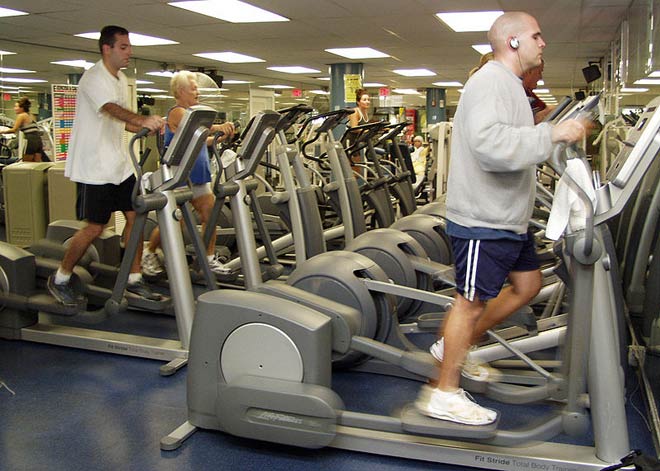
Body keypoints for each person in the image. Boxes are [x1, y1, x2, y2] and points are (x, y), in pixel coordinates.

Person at [415, 11, 589, 425]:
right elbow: (491, 146)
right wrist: (553, 133)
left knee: (527, 285)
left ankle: (456, 347)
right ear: (512, 41)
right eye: (537, 35)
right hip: (483, 218)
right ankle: (443, 391)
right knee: (470, 302)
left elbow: (513, 140)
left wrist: (547, 132)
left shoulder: (510, 85)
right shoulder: (490, 81)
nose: (543, 43)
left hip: (508, 217)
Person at [47, 25, 166, 307]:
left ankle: (134, 280)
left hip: (118, 165)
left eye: (129, 47)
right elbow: (109, 109)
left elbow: (118, 119)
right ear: (107, 49)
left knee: (136, 217)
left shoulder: (121, 79)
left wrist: (141, 127)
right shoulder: (93, 78)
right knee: (94, 228)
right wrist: (141, 120)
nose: (129, 52)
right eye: (123, 47)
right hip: (94, 168)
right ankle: (61, 277)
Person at [141, 70, 235, 277]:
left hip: (199, 175)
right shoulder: (177, 112)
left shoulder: (194, 117)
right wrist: (218, 126)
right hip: (180, 178)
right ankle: (149, 252)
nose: (197, 91)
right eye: (193, 88)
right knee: (177, 220)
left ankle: (208, 259)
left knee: (210, 217)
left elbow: (200, 139)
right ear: (180, 91)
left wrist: (217, 138)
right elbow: (195, 126)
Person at [0, 97, 46, 162]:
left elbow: (14, 130)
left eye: (16, 107)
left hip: (30, 140)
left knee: (26, 163)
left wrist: (1, 132)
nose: (14, 108)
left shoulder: (21, 115)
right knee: (37, 163)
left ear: (22, 108)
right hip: (38, 140)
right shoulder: (31, 115)